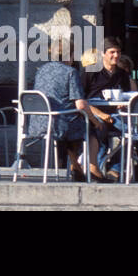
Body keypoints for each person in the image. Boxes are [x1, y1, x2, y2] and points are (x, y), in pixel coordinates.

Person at [27, 39, 94, 182]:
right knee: (86, 124)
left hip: (38, 123)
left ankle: (75, 166)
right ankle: (81, 166)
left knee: (71, 120)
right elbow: (80, 104)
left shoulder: (41, 71)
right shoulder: (70, 72)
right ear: (69, 55)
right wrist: (95, 120)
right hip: (58, 123)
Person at [81, 38, 130, 179]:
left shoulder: (122, 74)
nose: (116, 55)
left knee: (133, 133)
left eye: (118, 52)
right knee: (98, 127)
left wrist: (123, 102)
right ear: (103, 53)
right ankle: (94, 168)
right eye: (112, 52)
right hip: (93, 115)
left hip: (115, 116)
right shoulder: (90, 72)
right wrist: (100, 114)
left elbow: (126, 95)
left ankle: (114, 169)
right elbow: (80, 99)